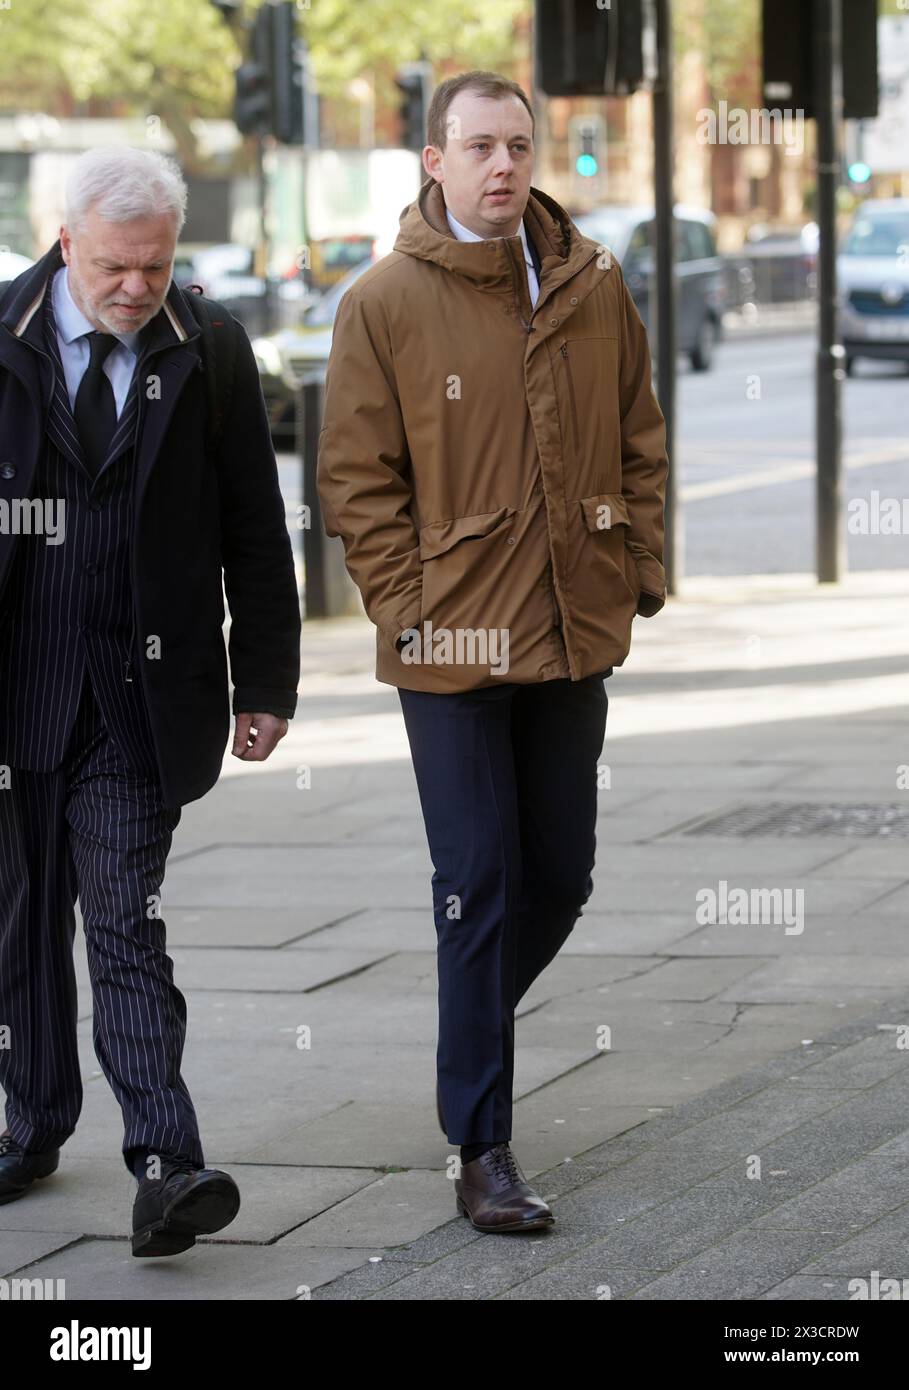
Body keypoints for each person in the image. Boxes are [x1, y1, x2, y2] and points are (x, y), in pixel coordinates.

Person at [318, 69, 668, 1234]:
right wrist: (412, 610)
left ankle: (468, 1036)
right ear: (435, 160)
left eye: (519, 144)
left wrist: (642, 568)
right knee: (476, 885)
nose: (504, 165)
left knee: (558, 876)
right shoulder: (382, 303)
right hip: (452, 650)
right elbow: (356, 488)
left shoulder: (593, 280)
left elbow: (639, 435)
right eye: (479, 146)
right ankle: (484, 1146)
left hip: (573, 628)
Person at [0, 146, 301, 1256]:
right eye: (119, 268)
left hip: (137, 697)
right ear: (67, 241)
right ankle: (30, 1124)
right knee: (19, 927)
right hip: (14, 689)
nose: (139, 289)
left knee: (125, 923)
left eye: (158, 268)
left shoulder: (209, 345)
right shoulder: (3, 333)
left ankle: (168, 1163)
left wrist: (266, 681)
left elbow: (255, 533)